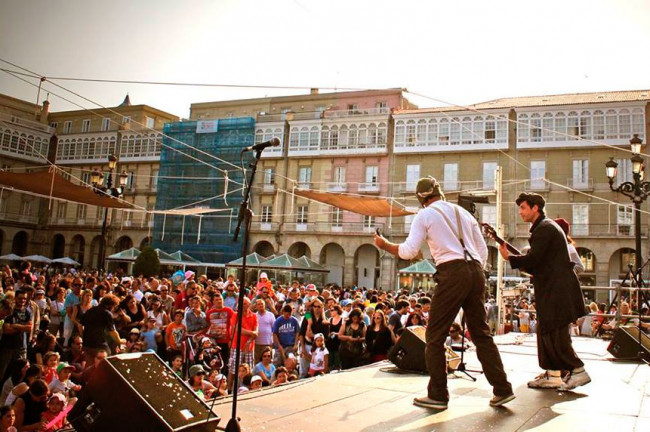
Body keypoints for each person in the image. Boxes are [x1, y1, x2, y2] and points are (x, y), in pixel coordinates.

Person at [375, 176, 514, 410]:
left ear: (421, 199)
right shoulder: (463, 213)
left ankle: (438, 395)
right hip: (475, 271)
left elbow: (409, 251)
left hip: (451, 273)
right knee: (481, 334)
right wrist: (472, 268)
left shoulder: (424, 215)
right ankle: (502, 389)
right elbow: (481, 249)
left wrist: (384, 244)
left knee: (435, 336)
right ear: (439, 193)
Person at [499, 192, 589, 391]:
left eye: (523, 208)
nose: (520, 212)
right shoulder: (543, 228)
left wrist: (509, 258)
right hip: (554, 289)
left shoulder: (545, 229)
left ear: (535, 208)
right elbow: (537, 262)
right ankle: (552, 373)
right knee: (546, 330)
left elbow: (533, 261)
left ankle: (577, 370)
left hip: (557, 291)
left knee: (555, 332)